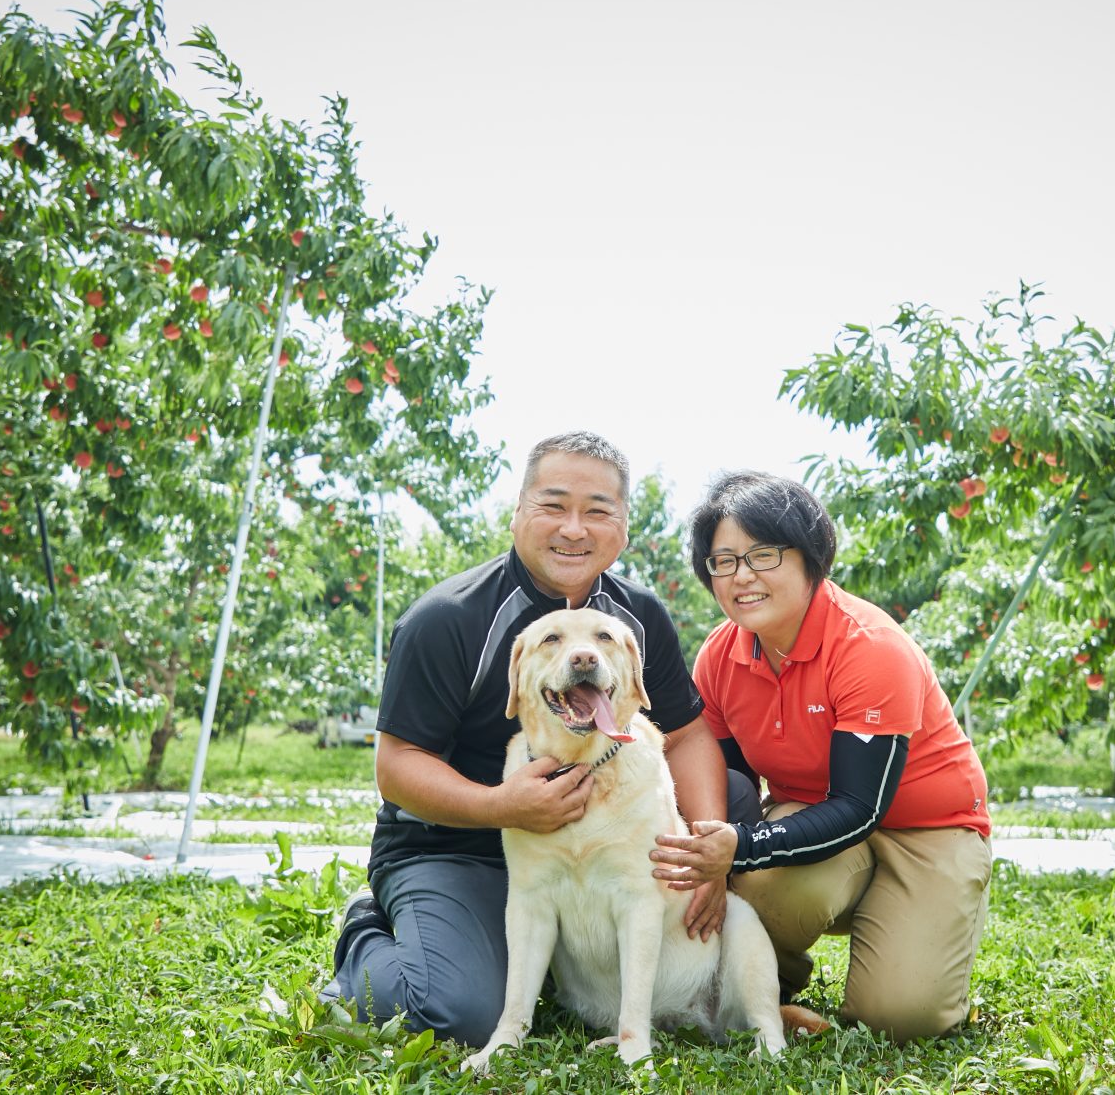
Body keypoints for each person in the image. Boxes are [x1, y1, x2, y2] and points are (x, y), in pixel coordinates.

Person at [323, 431, 727, 1044]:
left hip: (596, 845)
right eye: (553, 505)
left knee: (738, 805)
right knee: (457, 1012)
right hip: (456, 846)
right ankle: (367, 933)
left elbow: (690, 733)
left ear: (622, 527)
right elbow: (398, 765)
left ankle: (737, 982)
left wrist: (705, 846)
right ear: (518, 511)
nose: (574, 528)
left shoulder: (637, 617)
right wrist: (500, 806)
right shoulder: (448, 619)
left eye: (597, 511)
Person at [648, 471, 992, 1042]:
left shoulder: (869, 647)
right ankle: (769, 977)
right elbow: (728, 779)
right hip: (811, 818)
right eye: (724, 561)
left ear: (810, 557)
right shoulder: (719, 656)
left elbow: (860, 805)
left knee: (899, 1019)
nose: (743, 576)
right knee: (758, 885)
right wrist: (714, 857)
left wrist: (744, 846)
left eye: (763, 554)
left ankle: (921, 920)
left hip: (931, 829)